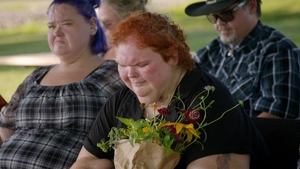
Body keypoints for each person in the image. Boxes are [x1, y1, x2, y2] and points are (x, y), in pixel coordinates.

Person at [71, 11, 268, 169]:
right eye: (122, 65)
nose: (129, 75)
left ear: (172, 57)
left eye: (141, 64)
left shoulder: (208, 102)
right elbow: (88, 160)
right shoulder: (123, 100)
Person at [0, 0, 123, 168]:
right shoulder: (36, 76)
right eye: (51, 26)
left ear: (92, 25)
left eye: (67, 24)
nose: (57, 32)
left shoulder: (113, 73)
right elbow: (6, 124)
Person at [185, 0, 300, 119]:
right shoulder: (214, 50)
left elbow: (275, 116)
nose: (219, 23)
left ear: (251, 6)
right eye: (213, 17)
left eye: (226, 14)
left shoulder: (277, 51)